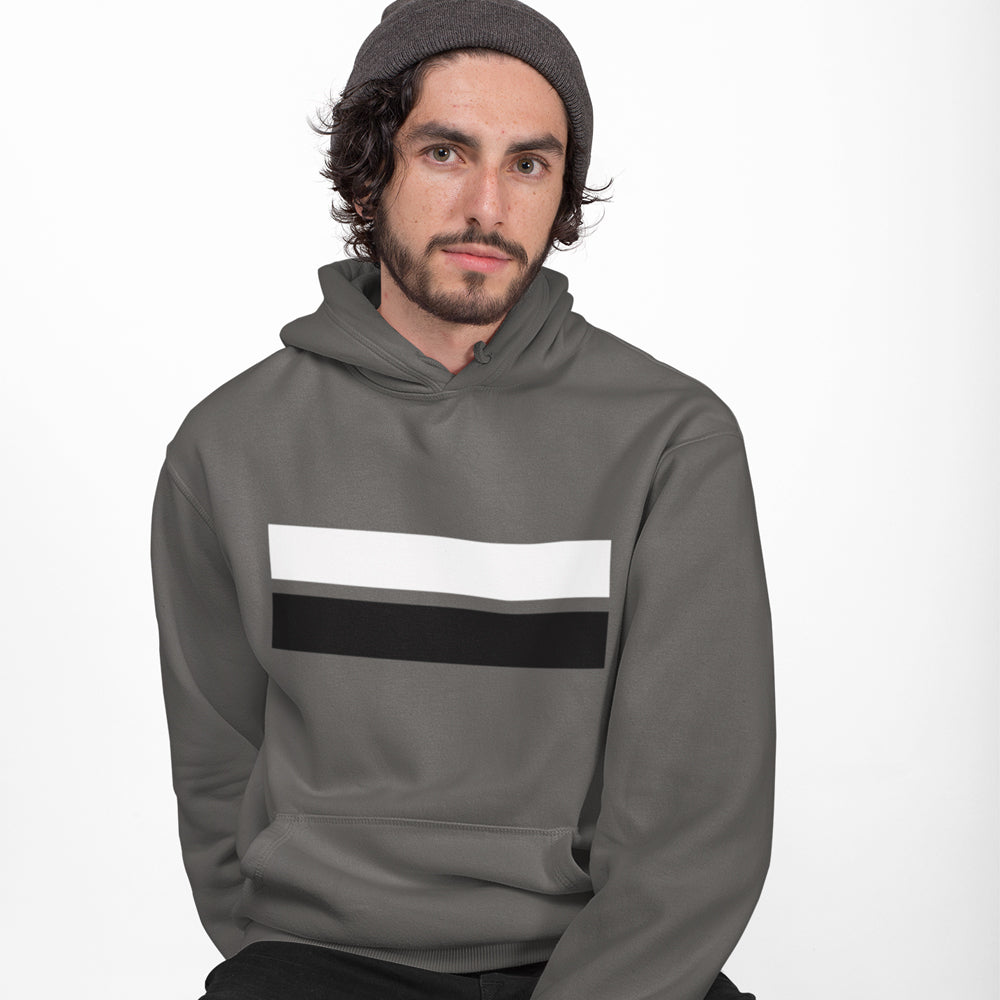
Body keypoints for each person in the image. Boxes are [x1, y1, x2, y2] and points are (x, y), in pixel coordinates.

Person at [150, 1, 776, 998]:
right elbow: (217, 770)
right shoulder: (227, 448)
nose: (489, 205)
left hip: (603, 964)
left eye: (528, 164)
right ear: (369, 170)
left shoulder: (669, 439)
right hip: (323, 965)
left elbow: (694, 823)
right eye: (445, 152)